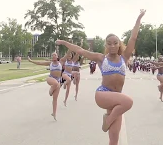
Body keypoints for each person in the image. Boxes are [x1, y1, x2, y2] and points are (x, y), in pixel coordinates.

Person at [56, 9, 145, 145]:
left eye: (115, 43)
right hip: (103, 94)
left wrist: (139, 18)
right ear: (106, 45)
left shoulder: (124, 57)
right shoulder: (101, 58)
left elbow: (133, 37)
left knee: (114, 139)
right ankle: (107, 121)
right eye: (109, 43)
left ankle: (108, 120)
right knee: (128, 102)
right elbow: (80, 50)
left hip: (116, 100)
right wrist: (63, 42)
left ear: (119, 44)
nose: (113, 45)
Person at [28, 51, 69, 121]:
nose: (53, 56)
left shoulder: (61, 62)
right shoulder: (50, 63)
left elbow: (68, 53)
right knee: (55, 83)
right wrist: (31, 61)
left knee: (55, 99)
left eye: (55, 55)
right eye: (52, 55)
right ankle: (51, 90)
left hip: (58, 80)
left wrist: (70, 45)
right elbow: (40, 63)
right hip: (50, 79)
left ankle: (54, 113)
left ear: (57, 56)